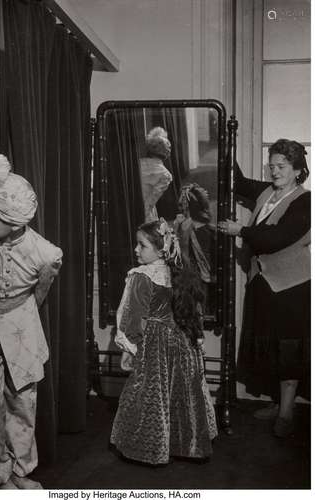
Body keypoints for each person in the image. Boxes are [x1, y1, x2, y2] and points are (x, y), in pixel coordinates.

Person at [0, 151, 63, 489]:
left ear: (12, 221)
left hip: (22, 329)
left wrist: (16, 315)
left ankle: (23, 473)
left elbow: (40, 293)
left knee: (22, 403)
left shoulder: (46, 254)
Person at [218, 139, 310, 438]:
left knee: (288, 349)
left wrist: (240, 230)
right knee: (270, 346)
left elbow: (275, 238)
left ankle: (286, 412)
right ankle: (278, 402)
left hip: (291, 287)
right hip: (263, 282)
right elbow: (239, 182)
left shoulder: (304, 201)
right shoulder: (267, 192)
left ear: (298, 169)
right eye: (271, 166)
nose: (275, 172)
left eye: (282, 167)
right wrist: (225, 144)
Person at [110, 218, 217, 465]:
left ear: (161, 249)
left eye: (142, 245)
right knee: (183, 393)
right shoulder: (180, 273)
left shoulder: (141, 276)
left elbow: (133, 317)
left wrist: (129, 348)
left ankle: (150, 446)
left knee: (153, 393)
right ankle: (186, 443)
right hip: (183, 342)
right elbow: (193, 312)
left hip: (155, 344)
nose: (136, 250)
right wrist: (197, 338)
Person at [174, 183, 217, 315]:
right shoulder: (211, 230)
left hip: (195, 279)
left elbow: (181, 257)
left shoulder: (187, 228)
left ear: (187, 208)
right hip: (208, 278)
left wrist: (178, 231)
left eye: (181, 206)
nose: (180, 209)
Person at [139, 127, 173, 222]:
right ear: (166, 153)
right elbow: (150, 201)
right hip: (144, 212)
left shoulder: (138, 163)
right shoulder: (165, 175)